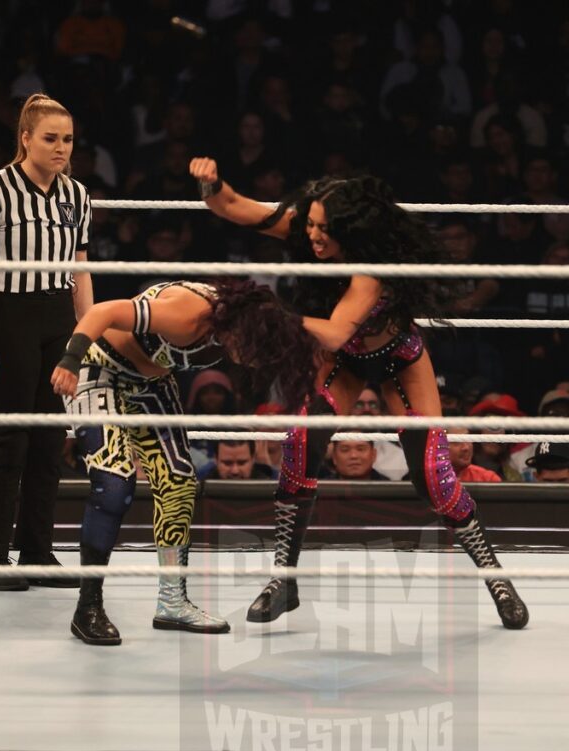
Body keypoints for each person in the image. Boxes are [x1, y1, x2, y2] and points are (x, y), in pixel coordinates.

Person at [189, 156, 528, 630]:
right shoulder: (312, 233)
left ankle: (497, 580)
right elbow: (236, 208)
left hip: (397, 358)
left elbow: (330, 332)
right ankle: (283, 580)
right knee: (300, 444)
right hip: (346, 358)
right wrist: (211, 183)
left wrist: (270, 313)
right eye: (309, 224)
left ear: (351, 228)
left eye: (323, 228)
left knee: (432, 474)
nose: (312, 236)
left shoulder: (371, 269)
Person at [51, 279, 318, 645]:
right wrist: (70, 360)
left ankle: (172, 602)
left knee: (178, 481)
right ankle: (88, 608)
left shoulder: (240, 322)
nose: (253, 360)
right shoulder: (188, 313)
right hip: (99, 370)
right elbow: (103, 312)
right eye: (256, 349)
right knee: (114, 483)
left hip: (151, 384)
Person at [0, 94, 94, 592]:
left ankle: (37, 551)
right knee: (10, 438)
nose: (61, 148)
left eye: (68, 139)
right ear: (26, 138)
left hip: (57, 315)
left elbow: (80, 271)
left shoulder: (76, 195)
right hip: (7, 314)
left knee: (49, 440)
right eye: (51, 139)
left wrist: (86, 339)